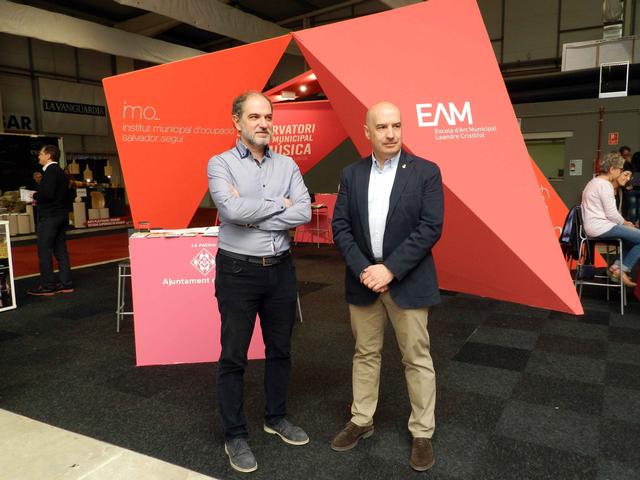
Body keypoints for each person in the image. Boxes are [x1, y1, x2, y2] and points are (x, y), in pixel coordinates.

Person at [330, 102, 444, 471]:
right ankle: (361, 420)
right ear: (368, 132)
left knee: (416, 358)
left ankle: (422, 432)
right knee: (365, 353)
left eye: (396, 125)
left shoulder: (426, 172)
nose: (391, 133)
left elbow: (430, 227)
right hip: (364, 280)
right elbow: (340, 227)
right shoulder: (351, 174)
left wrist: (389, 270)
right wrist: (365, 269)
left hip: (407, 280)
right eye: (382, 127)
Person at [207, 91, 312, 473]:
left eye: (268, 116)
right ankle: (234, 434)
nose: (264, 123)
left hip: (281, 269)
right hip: (238, 271)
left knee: (280, 350)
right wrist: (281, 206)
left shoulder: (287, 165)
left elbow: (304, 211)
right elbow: (230, 210)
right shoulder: (220, 164)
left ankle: (275, 417)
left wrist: (253, 215)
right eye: (255, 117)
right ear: (237, 121)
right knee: (234, 356)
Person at [582, 152, 640, 287]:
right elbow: (612, 214)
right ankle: (622, 270)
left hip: (595, 226)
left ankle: (615, 267)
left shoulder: (593, 182)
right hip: (601, 227)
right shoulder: (604, 185)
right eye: (620, 169)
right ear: (612, 169)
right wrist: (626, 223)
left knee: (631, 240)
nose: (620, 173)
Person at [27, 145, 73, 296]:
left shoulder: (50, 172)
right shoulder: (61, 172)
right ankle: (66, 283)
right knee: (60, 250)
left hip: (50, 216)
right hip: (61, 215)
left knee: (44, 251)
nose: (39, 156)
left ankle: (48, 285)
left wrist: (34, 195)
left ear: (48, 155)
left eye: (41, 154)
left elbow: (47, 194)